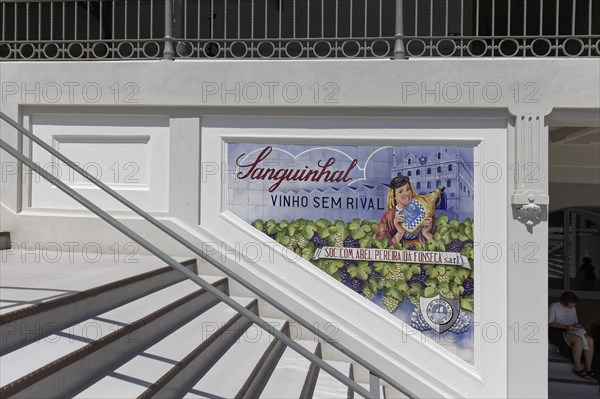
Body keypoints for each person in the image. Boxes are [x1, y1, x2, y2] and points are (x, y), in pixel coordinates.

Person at [548, 291, 596, 380]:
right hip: (557, 330)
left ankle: (588, 368)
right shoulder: (554, 306)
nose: (574, 305)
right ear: (565, 301)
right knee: (578, 340)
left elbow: (575, 321)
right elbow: (549, 323)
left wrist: (577, 326)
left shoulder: (572, 307)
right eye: (572, 303)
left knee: (590, 339)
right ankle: (578, 368)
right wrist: (566, 326)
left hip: (571, 329)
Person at [375, 175, 433, 246]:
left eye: (408, 189)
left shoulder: (424, 211)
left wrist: (426, 233)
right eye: (400, 192)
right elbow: (383, 246)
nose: (406, 194)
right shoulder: (388, 216)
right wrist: (400, 232)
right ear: (394, 196)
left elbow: (438, 246)